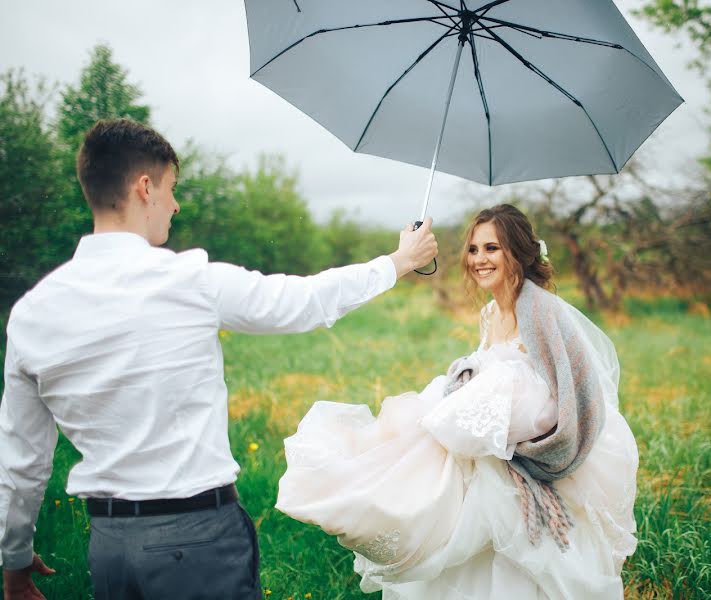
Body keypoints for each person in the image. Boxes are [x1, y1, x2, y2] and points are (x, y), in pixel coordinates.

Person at [0, 118, 438, 600]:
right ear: (144, 187)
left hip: (108, 547)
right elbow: (304, 300)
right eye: (171, 188)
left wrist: (14, 559)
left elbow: (22, 461)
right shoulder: (191, 281)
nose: (176, 203)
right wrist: (399, 261)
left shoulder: (32, 314)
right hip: (198, 541)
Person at [276, 204, 639, 599]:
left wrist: (490, 419)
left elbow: (563, 397)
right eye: (473, 249)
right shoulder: (490, 313)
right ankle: (347, 490)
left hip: (520, 453)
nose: (480, 260)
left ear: (518, 252)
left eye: (492, 249)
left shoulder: (542, 312)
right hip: (486, 449)